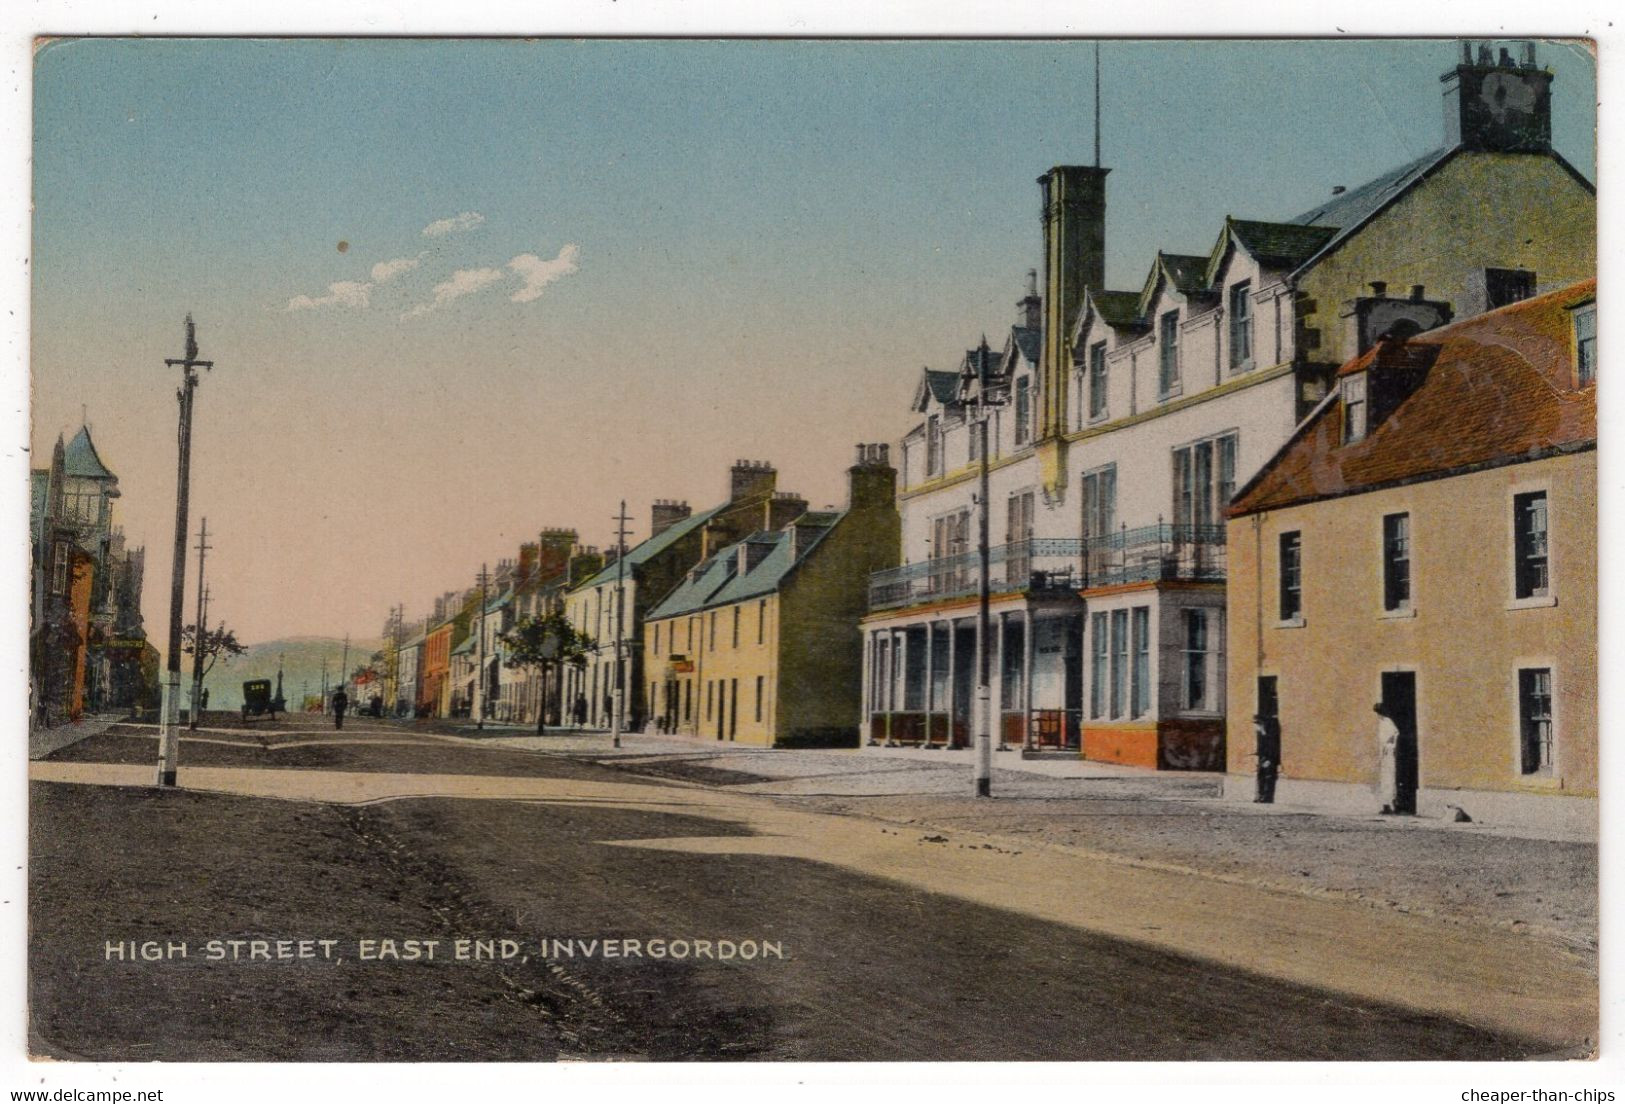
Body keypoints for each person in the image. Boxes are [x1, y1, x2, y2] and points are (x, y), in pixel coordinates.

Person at [1374, 702, 1400, 814]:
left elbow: (1395, 734)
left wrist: (1392, 745)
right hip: (1384, 753)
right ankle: (1386, 804)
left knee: (1389, 778)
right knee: (1385, 779)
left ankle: (1390, 804)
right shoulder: (1382, 722)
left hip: (1388, 752)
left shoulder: (1387, 722)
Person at [1252, 712, 1280, 804]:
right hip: (1263, 758)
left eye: (1258, 724)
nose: (1257, 727)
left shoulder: (1270, 736)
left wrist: (1269, 759)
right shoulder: (1262, 735)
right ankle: (1260, 796)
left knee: (1268, 777)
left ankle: (1267, 797)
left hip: (1269, 759)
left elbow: (1273, 747)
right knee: (1261, 776)